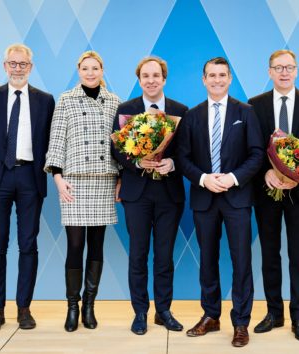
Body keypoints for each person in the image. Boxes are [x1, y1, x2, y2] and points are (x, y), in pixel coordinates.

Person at [178, 57, 263, 347]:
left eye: (222, 75)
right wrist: (203, 179)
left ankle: (241, 322)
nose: (217, 80)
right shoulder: (192, 115)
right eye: (211, 75)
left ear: (230, 79)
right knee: (207, 260)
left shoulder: (246, 112)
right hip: (204, 199)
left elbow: (257, 154)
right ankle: (210, 316)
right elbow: (183, 158)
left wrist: (233, 178)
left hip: (237, 198)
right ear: (203, 79)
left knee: (241, 261)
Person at [248, 49, 299, 341]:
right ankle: (273, 313)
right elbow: (251, 148)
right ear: (269, 72)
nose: (284, 72)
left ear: (296, 70)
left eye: (289, 67)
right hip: (266, 191)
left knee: (298, 255)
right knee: (269, 253)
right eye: (278, 67)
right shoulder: (255, 105)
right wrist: (266, 173)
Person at [0, 44, 55, 332]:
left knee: (28, 244)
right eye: (13, 63)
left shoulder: (45, 100)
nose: (18, 68)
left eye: (23, 64)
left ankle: (24, 308)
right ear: (5, 66)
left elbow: (48, 140)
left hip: (30, 177)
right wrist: (1, 164)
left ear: (31, 67)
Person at [45, 50, 121, 332]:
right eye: (85, 68)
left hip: (103, 180)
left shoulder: (115, 101)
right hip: (74, 181)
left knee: (97, 244)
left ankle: (90, 305)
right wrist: (57, 176)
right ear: (79, 71)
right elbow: (57, 139)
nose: (90, 73)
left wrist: (121, 178)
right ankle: (72, 306)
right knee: (75, 244)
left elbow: (120, 145)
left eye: (95, 68)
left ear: (103, 70)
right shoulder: (66, 99)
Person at [111, 57, 188, 335]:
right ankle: (140, 312)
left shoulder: (181, 111)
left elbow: (188, 150)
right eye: (145, 76)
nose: (151, 80)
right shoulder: (126, 110)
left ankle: (163, 311)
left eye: (156, 75)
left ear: (164, 79)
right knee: (138, 255)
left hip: (169, 194)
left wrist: (173, 163)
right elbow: (117, 150)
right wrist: (136, 163)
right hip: (137, 194)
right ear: (139, 79)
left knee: (164, 256)